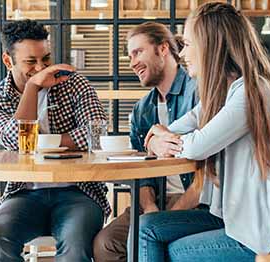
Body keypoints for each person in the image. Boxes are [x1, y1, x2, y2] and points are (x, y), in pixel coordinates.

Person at [137, 2, 270, 261]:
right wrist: (156, 140)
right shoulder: (223, 94)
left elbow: (196, 146)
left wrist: (162, 140)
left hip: (264, 235)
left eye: (188, 44)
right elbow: (174, 129)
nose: (182, 54)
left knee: (173, 252)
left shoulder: (252, 90)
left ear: (211, 45)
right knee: (147, 228)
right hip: (236, 221)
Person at [0, 19, 109, 262]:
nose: (41, 68)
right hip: (24, 193)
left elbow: (96, 132)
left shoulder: (73, 83)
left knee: (76, 242)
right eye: (30, 62)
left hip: (78, 191)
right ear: (8, 61)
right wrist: (33, 88)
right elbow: (15, 140)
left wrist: (45, 142)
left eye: (45, 59)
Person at [92, 22, 197, 262]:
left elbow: (211, 169)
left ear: (163, 49)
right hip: (156, 200)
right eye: (130, 56)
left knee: (150, 235)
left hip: (197, 201)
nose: (132, 63)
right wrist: (150, 207)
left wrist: (173, 213)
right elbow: (141, 170)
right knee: (105, 244)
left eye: (138, 52)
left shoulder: (197, 92)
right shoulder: (142, 109)